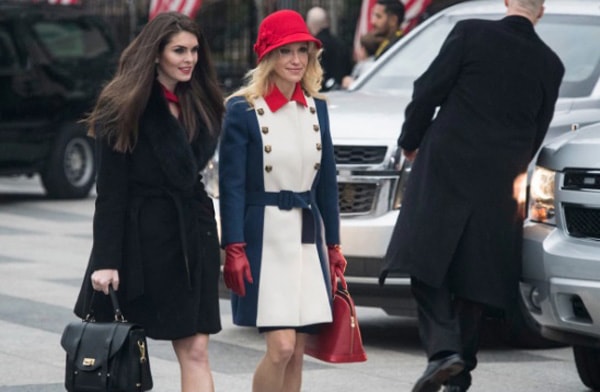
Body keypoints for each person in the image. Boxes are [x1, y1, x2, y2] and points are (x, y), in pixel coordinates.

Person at [379, 0, 564, 391]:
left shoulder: (470, 33)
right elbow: (538, 128)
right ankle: (459, 374)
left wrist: (410, 141)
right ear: (541, 11)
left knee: (423, 261)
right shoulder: (551, 64)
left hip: (446, 164)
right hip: (499, 180)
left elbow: (427, 89)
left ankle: (444, 351)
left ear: (508, 2)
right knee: (475, 278)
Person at [73, 12, 225, 392]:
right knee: (119, 350)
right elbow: (110, 192)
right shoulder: (121, 104)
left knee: (196, 351)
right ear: (156, 53)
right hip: (139, 245)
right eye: (179, 50)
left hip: (191, 238)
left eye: (193, 50)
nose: (189, 58)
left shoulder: (202, 101)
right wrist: (106, 261)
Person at [218, 9, 347, 392]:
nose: (295, 59)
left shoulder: (316, 107)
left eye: (302, 51)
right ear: (268, 57)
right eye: (285, 51)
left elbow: (327, 184)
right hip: (264, 237)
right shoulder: (241, 109)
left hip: (307, 235)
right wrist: (234, 246)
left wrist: (334, 243)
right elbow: (232, 186)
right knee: (281, 347)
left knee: (298, 350)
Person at [306, 6, 353, 91]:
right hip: (343, 91)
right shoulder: (341, 44)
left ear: (310, 25)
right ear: (327, 22)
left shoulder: (314, 46)